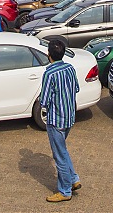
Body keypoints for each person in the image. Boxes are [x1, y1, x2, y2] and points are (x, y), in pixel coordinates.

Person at [40, 39, 81, 202]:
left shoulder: (49, 73)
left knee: (59, 156)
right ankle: (73, 179)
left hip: (56, 120)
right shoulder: (70, 68)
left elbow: (44, 101)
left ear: (48, 55)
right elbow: (76, 88)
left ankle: (64, 191)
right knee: (63, 151)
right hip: (70, 117)